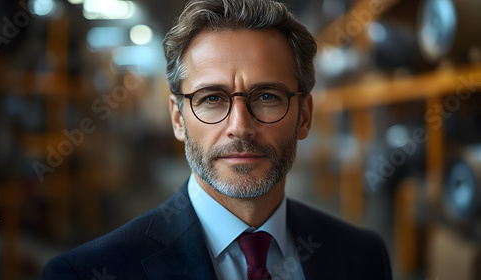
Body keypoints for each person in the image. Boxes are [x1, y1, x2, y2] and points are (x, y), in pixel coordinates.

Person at [43, 0, 393, 279]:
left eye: (267, 96)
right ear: (178, 118)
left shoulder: (363, 257)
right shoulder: (84, 273)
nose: (240, 127)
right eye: (211, 98)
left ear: (304, 116)